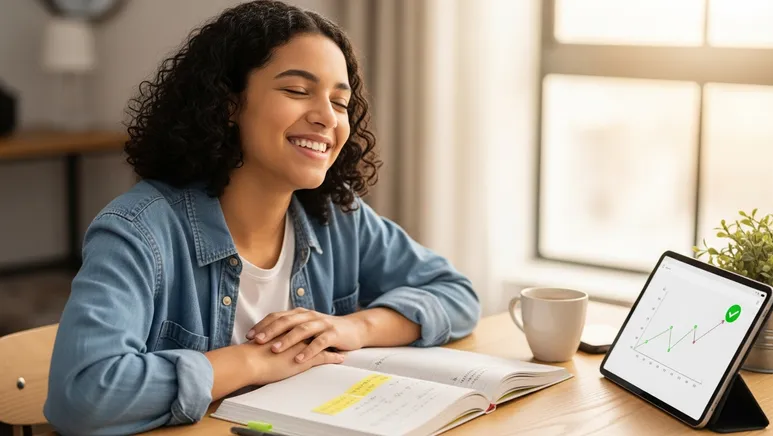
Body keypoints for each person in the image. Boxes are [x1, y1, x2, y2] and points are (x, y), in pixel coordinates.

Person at [43, 1, 480, 434]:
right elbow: (83, 396)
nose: (326, 117)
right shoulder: (138, 230)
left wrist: (354, 327)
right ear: (228, 102)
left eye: (340, 101)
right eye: (296, 90)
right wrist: (251, 361)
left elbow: (456, 295)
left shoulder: (338, 215)